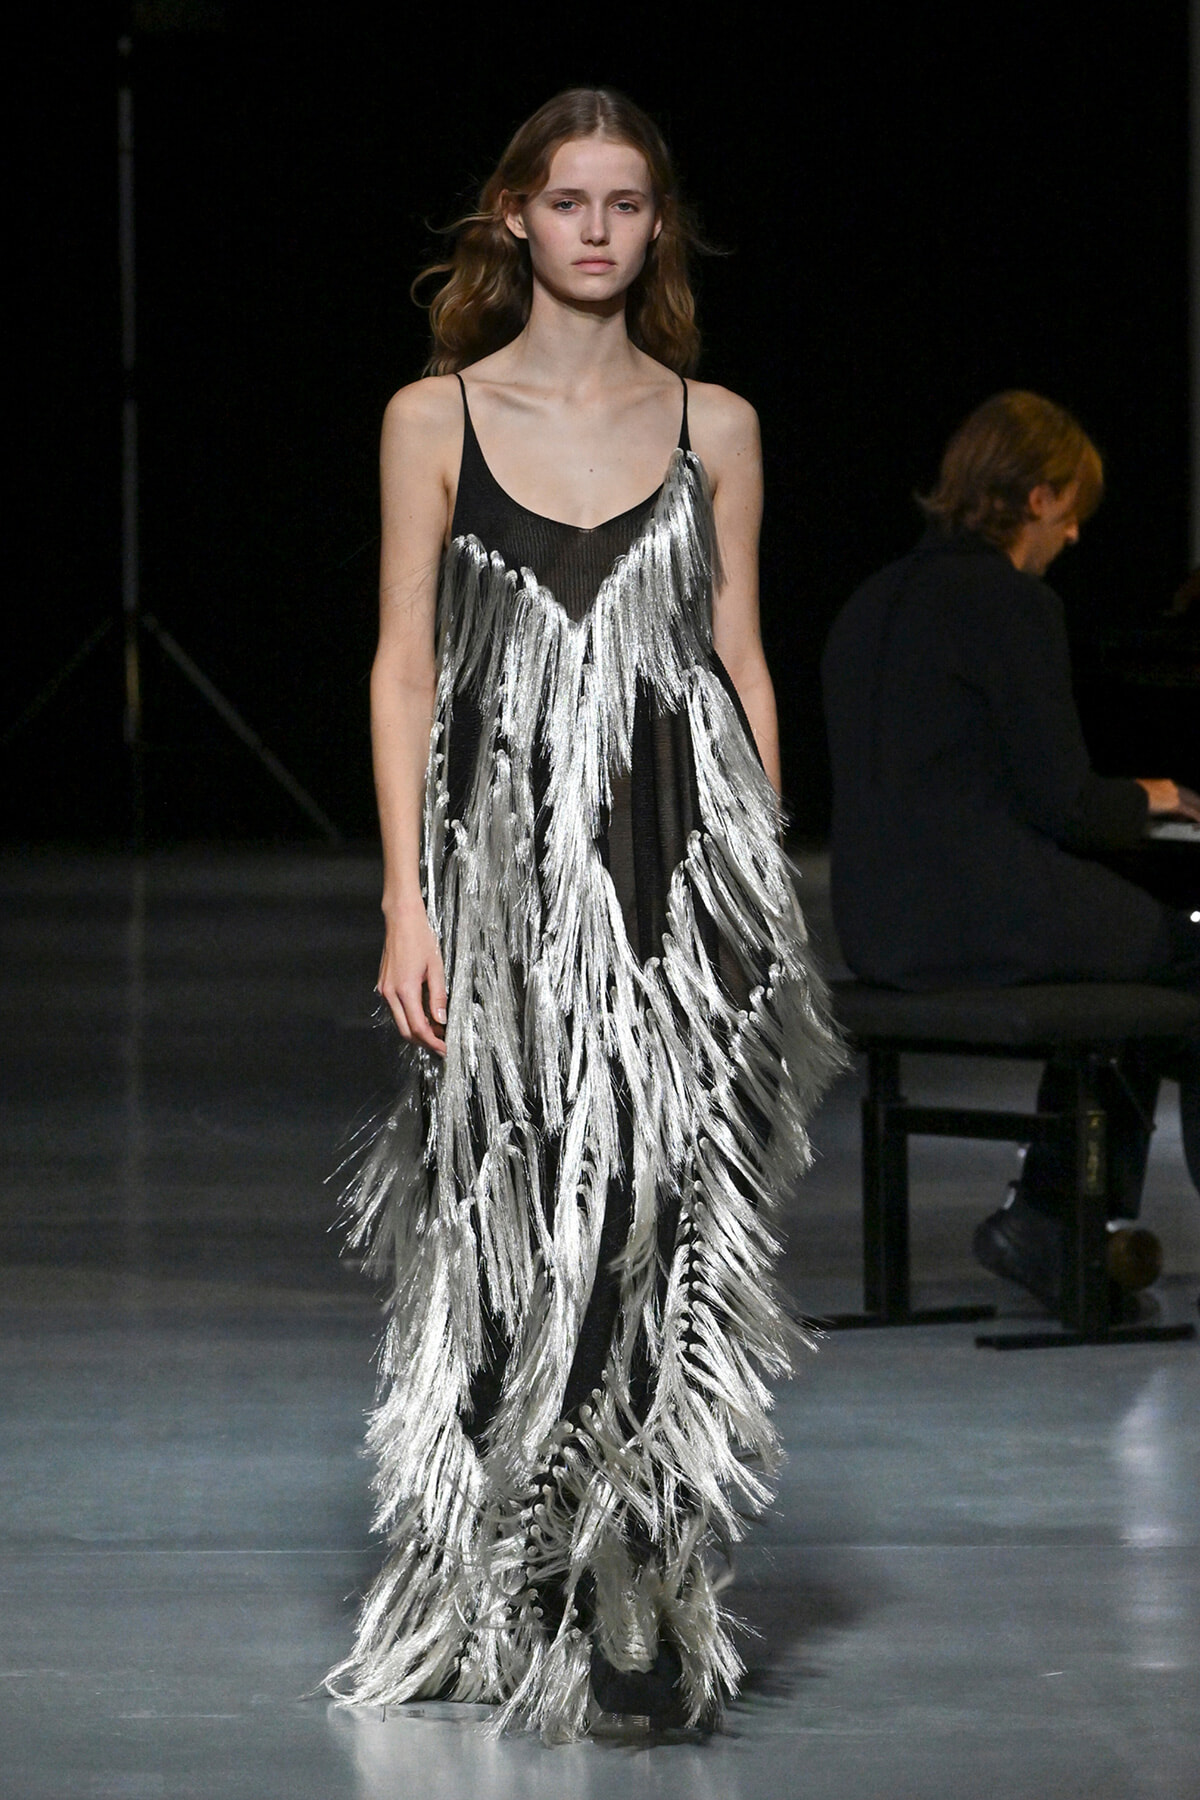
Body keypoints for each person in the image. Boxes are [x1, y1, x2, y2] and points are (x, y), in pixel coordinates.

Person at [326, 89, 840, 1741]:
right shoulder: (433, 421)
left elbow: (740, 655)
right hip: (494, 885)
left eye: (629, 202)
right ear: (515, 222)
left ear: (657, 228)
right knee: (508, 1209)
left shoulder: (722, 425)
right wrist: (404, 896)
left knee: (657, 1208)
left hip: (676, 870)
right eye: (571, 201)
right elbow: (407, 664)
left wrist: (769, 879)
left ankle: (641, 1576)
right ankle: (498, 1582)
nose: (600, 228)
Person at [821, 391, 1200, 1311]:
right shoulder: (1009, 604)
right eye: (1073, 512)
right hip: (979, 912)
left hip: (877, 927)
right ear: (1039, 498)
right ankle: (1050, 1211)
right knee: (1181, 952)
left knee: (1141, 966)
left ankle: (1055, 1209)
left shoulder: (871, 601)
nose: (1073, 537)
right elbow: (1068, 807)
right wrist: (1152, 795)